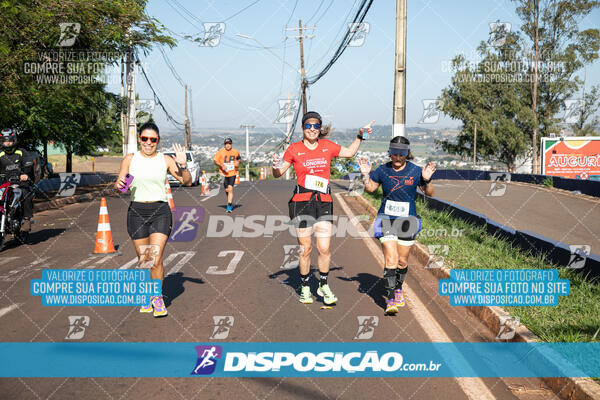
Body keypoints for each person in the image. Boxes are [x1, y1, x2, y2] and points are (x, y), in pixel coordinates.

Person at [272, 111, 373, 305]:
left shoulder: (327, 146)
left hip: (324, 201)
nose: (312, 129)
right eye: (308, 125)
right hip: (301, 202)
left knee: (324, 248)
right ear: (303, 128)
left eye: (316, 126)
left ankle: (323, 285)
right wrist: (276, 167)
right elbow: (279, 173)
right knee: (306, 248)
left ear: (320, 128)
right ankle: (305, 286)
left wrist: (360, 136)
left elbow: (350, 152)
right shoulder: (294, 149)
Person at [114, 122, 192, 317]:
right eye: (144, 139)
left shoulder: (165, 160)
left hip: (160, 211)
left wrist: (183, 165)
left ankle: (157, 297)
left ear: (158, 141)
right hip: (136, 212)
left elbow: (187, 181)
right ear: (139, 139)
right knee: (144, 260)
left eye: (153, 140)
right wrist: (118, 185)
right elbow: (121, 187)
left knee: (155, 258)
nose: (148, 143)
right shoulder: (130, 159)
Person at [359, 136, 435, 315]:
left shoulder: (416, 171)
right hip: (386, 218)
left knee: (402, 261)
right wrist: (365, 175)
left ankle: (398, 288)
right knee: (391, 258)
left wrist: (427, 180)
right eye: (394, 153)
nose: (398, 158)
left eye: (401, 154)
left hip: (408, 221)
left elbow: (429, 193)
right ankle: (391, 298)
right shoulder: (383, 170)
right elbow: (370, 189)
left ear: (407, 154)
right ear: (390, 153)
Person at [0, 128, 36, 232]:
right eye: (5, 141)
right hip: (4, 183)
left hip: (20, 183)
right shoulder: (0, 154)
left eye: (10, 141)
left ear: (14, 140)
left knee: (25, 194)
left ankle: (26, 219)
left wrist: (24, 174)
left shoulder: (21, 152)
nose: (7, 143)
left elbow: (28, 163)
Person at [213, 138, 241, 213]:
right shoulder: (220, 152)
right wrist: (221, 165)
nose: (228, 145)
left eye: (229, 144)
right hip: (223, 173)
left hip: (232, 173)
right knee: (227, 190)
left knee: (230, 188)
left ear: (231, 144)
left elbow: (238, 159)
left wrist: (237, 163)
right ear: (224, 145)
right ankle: (229, 198)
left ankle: (229, 206)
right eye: (226, 144)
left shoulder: (235, 152)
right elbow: (215, 160)